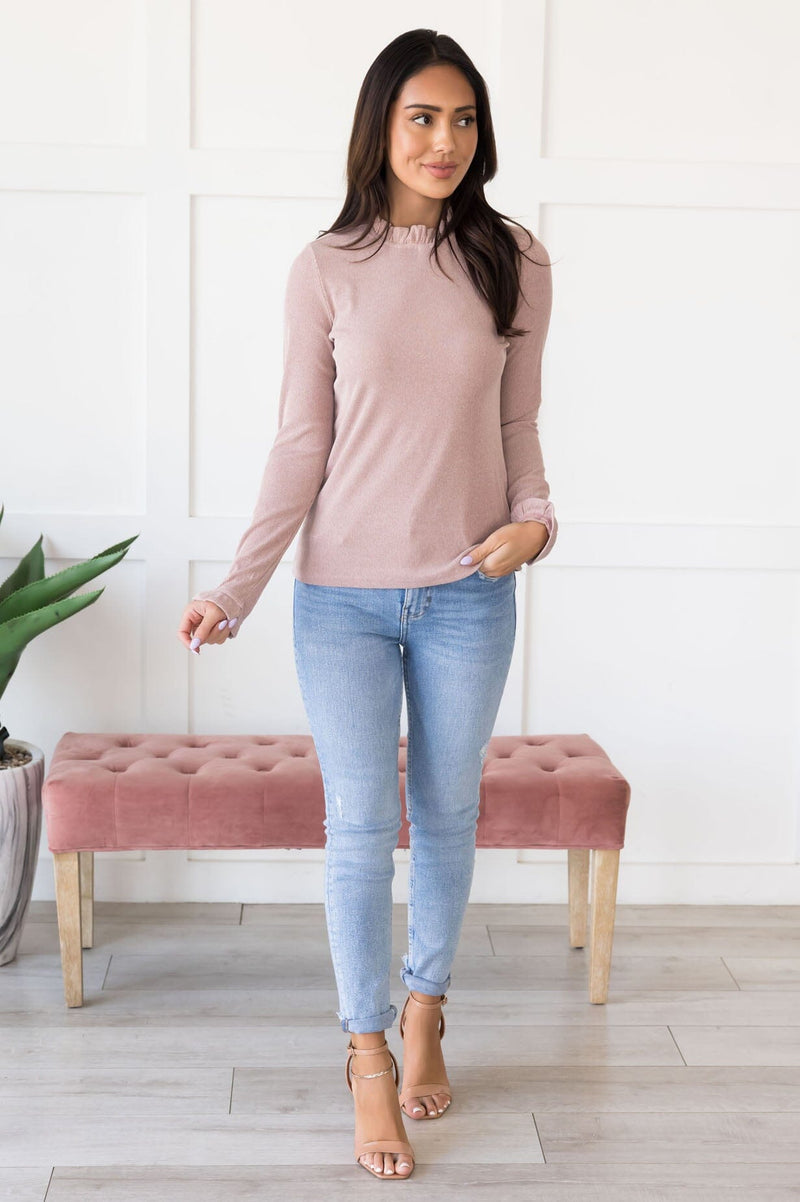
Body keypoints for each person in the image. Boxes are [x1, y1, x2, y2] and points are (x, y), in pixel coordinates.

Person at [177, 28, 558, 1182]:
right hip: (339, 598)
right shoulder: (325, 266)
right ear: (380, 126)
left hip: (469, 593)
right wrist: (236, 587)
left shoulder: (514, 258)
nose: (445, 141)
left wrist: (535, 520)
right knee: (356, 827)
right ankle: (367, 1055)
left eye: (463, 119)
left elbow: (516, 423)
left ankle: (427, 1007)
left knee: (444, 811)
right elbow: (302, 442)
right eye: (421, 118)